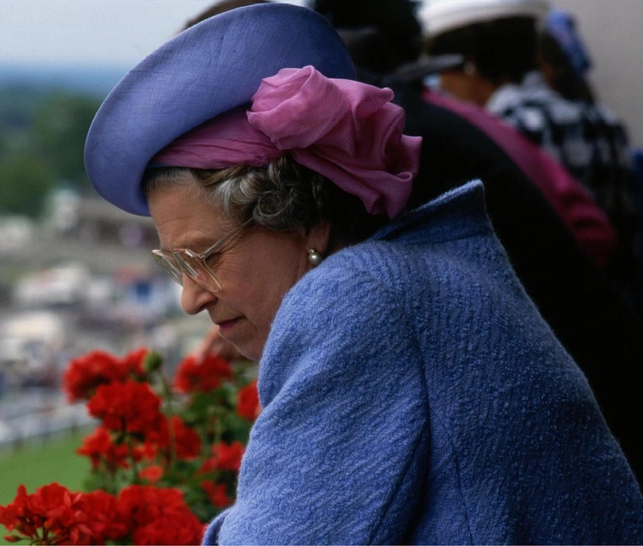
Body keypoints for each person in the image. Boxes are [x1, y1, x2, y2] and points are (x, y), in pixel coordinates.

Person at [84, 3, 643, 543]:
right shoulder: (412, 273)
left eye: (204, 256)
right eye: (176, 264)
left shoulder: (360, 299)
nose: (189, 298)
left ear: (301, 218)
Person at [419, 0, 640, 305]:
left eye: (441, 70)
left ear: (469, 63)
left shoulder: (501, 133)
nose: (440, 83)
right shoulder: (606, 122)